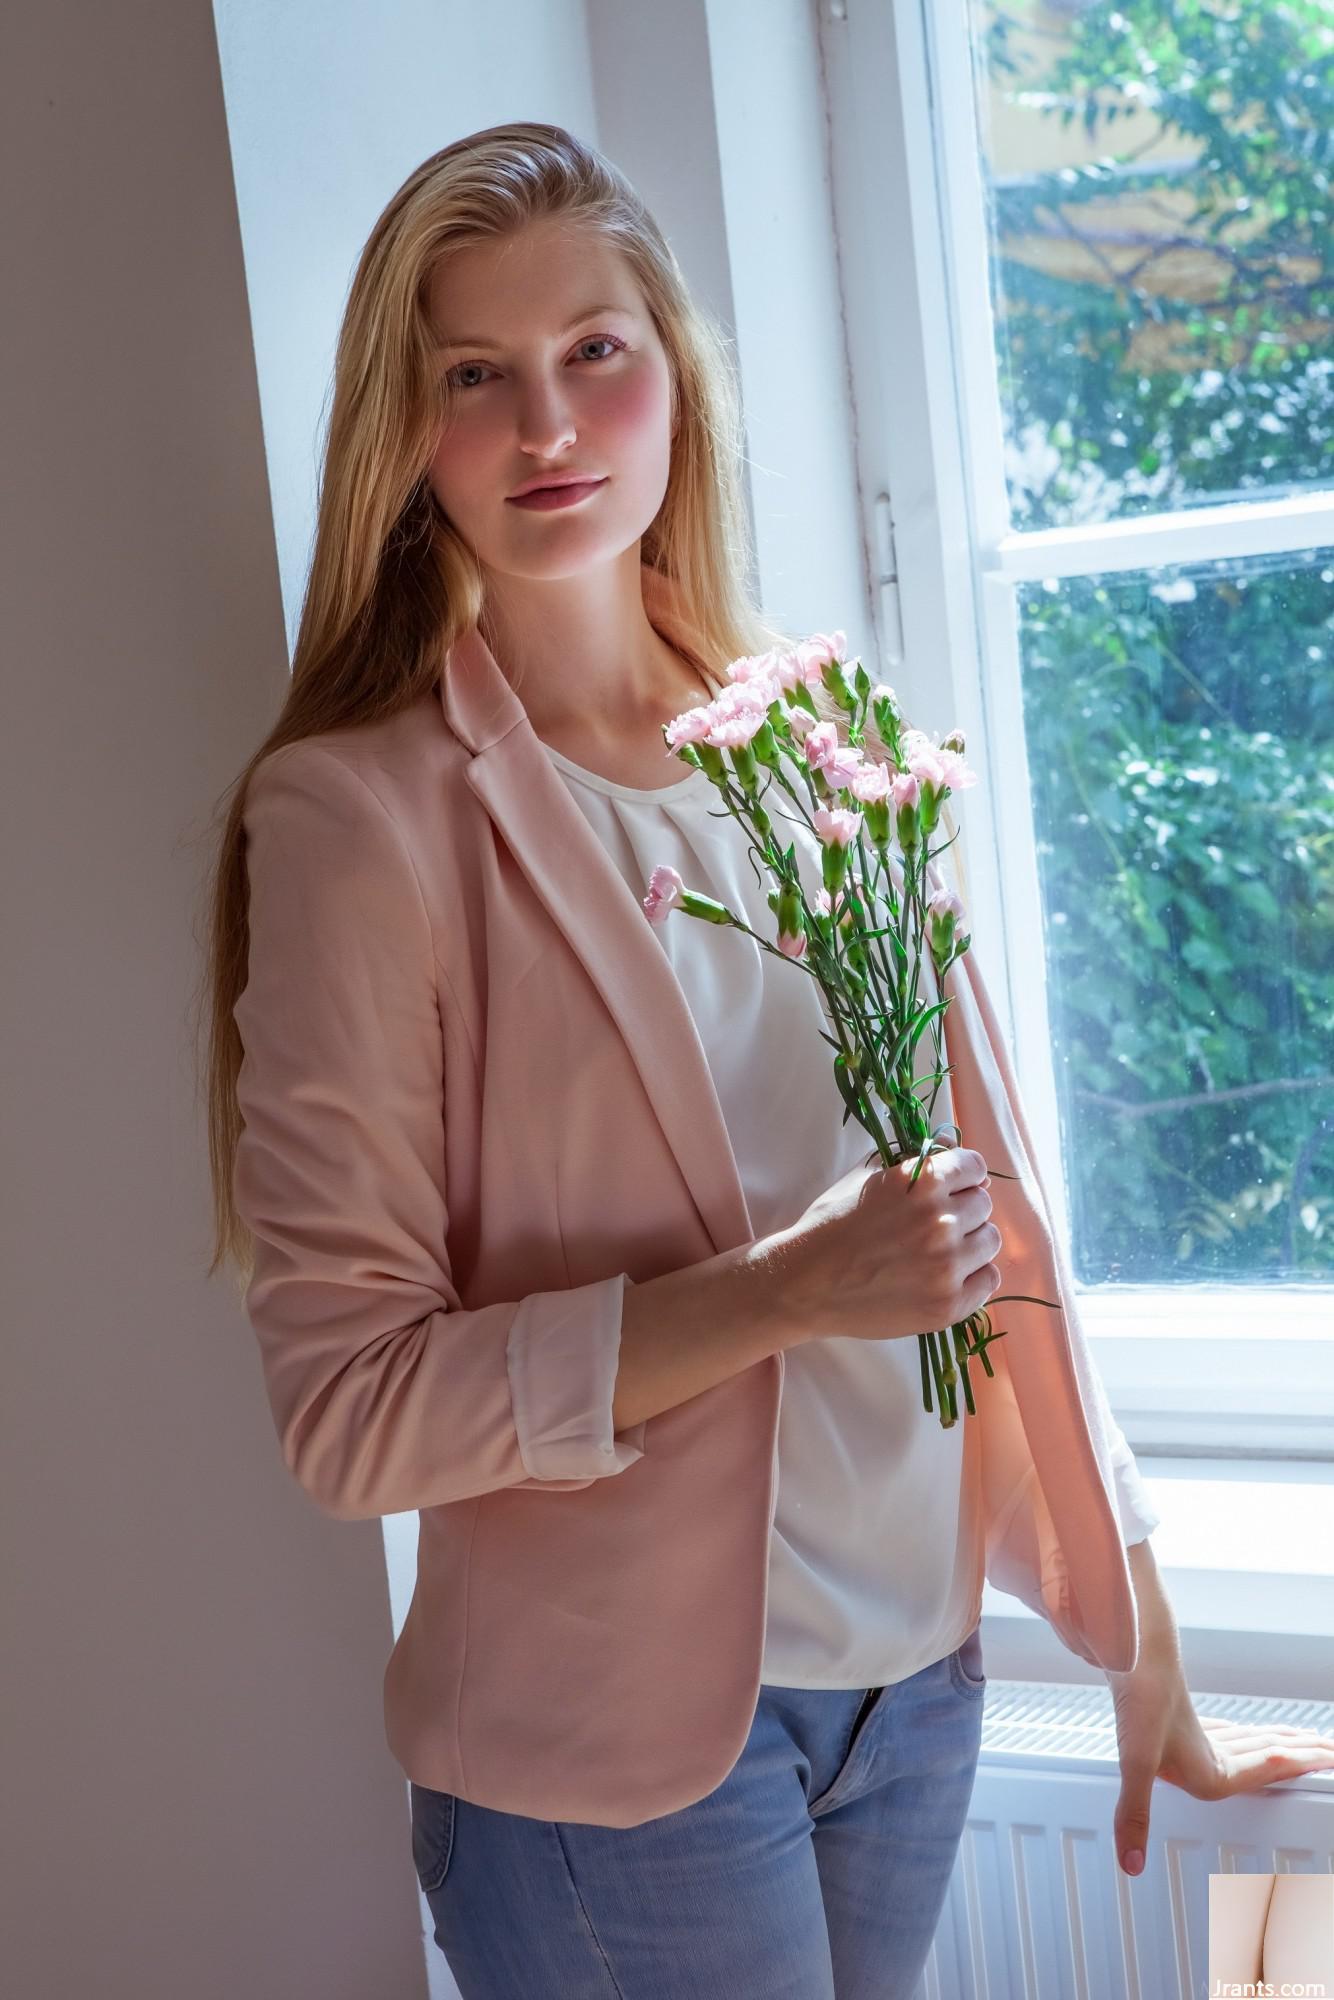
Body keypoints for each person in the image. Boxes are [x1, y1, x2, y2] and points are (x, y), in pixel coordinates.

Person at [200, 123, 1334, 2000]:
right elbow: (353, 1410)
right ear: (406, 434)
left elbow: (993, 1222)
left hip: (916, 1691)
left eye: (594, 351)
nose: (546, 424)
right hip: (620, 1762)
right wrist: (784, 1293)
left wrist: (1138, 1632)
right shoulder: (360, 819)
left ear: (675, 376)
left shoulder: (818, 743)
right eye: (472, 375)